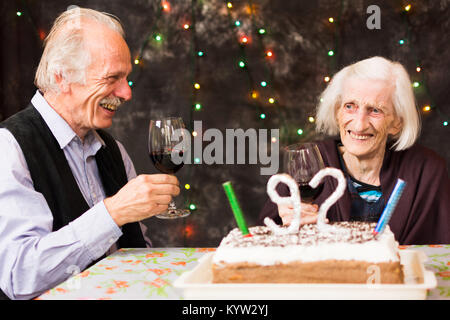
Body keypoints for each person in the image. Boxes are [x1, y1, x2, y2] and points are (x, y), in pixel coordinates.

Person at [0, 8, 180, 299]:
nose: (126, 93)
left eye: (126, 78)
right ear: (62, 77)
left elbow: (136, 252)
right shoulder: (9, 148)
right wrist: (114, 212)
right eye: (112, 78)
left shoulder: (114, 151)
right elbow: (18, 276)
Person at [258, 56, 450, 245]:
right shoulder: (308, 163)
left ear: (396, 123)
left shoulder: (426, 171)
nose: (359, 125)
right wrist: (286, 228)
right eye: (350, 106)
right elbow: (262, 250)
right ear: (337, 112)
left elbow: (441, 257)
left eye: (375, 110)